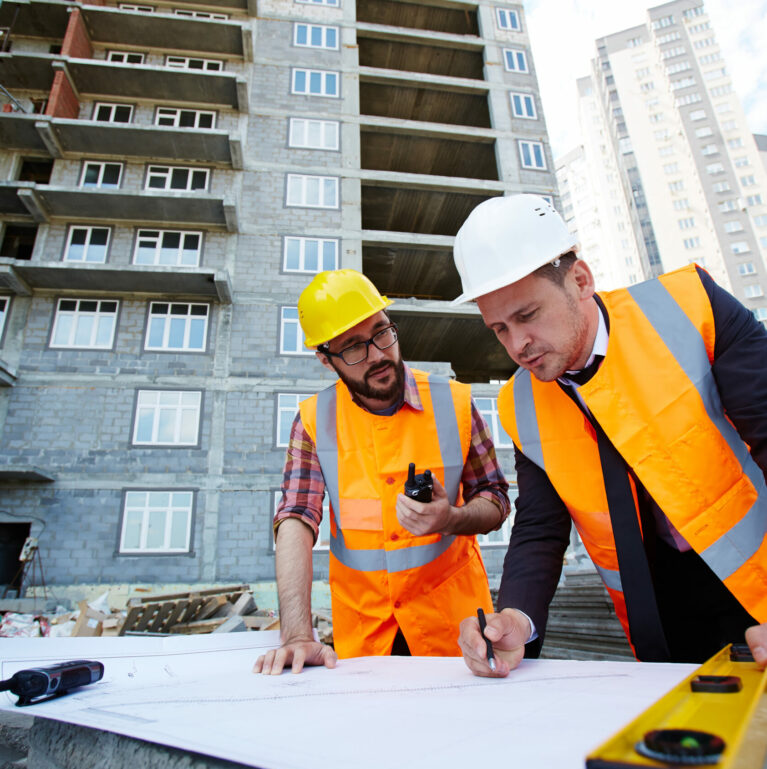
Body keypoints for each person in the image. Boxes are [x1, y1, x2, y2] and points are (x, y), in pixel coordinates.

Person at [450, 194, 767, 676]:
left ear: (580, 280)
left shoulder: (689, 306)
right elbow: (539, 526)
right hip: (662, 621)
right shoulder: (521, 403)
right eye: (499, 329)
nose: (518, 346)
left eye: (527, 315)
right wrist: (515, 616)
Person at [254, 268, 510, 674]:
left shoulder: (455, 403)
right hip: (366, 641)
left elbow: (495, 499)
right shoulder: (313, 421)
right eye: (354, 348)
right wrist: (297, 634)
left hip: (457, 637)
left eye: (381, 332)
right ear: (325, 358)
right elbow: (296, 518)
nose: (377, 354)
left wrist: (453, 518)